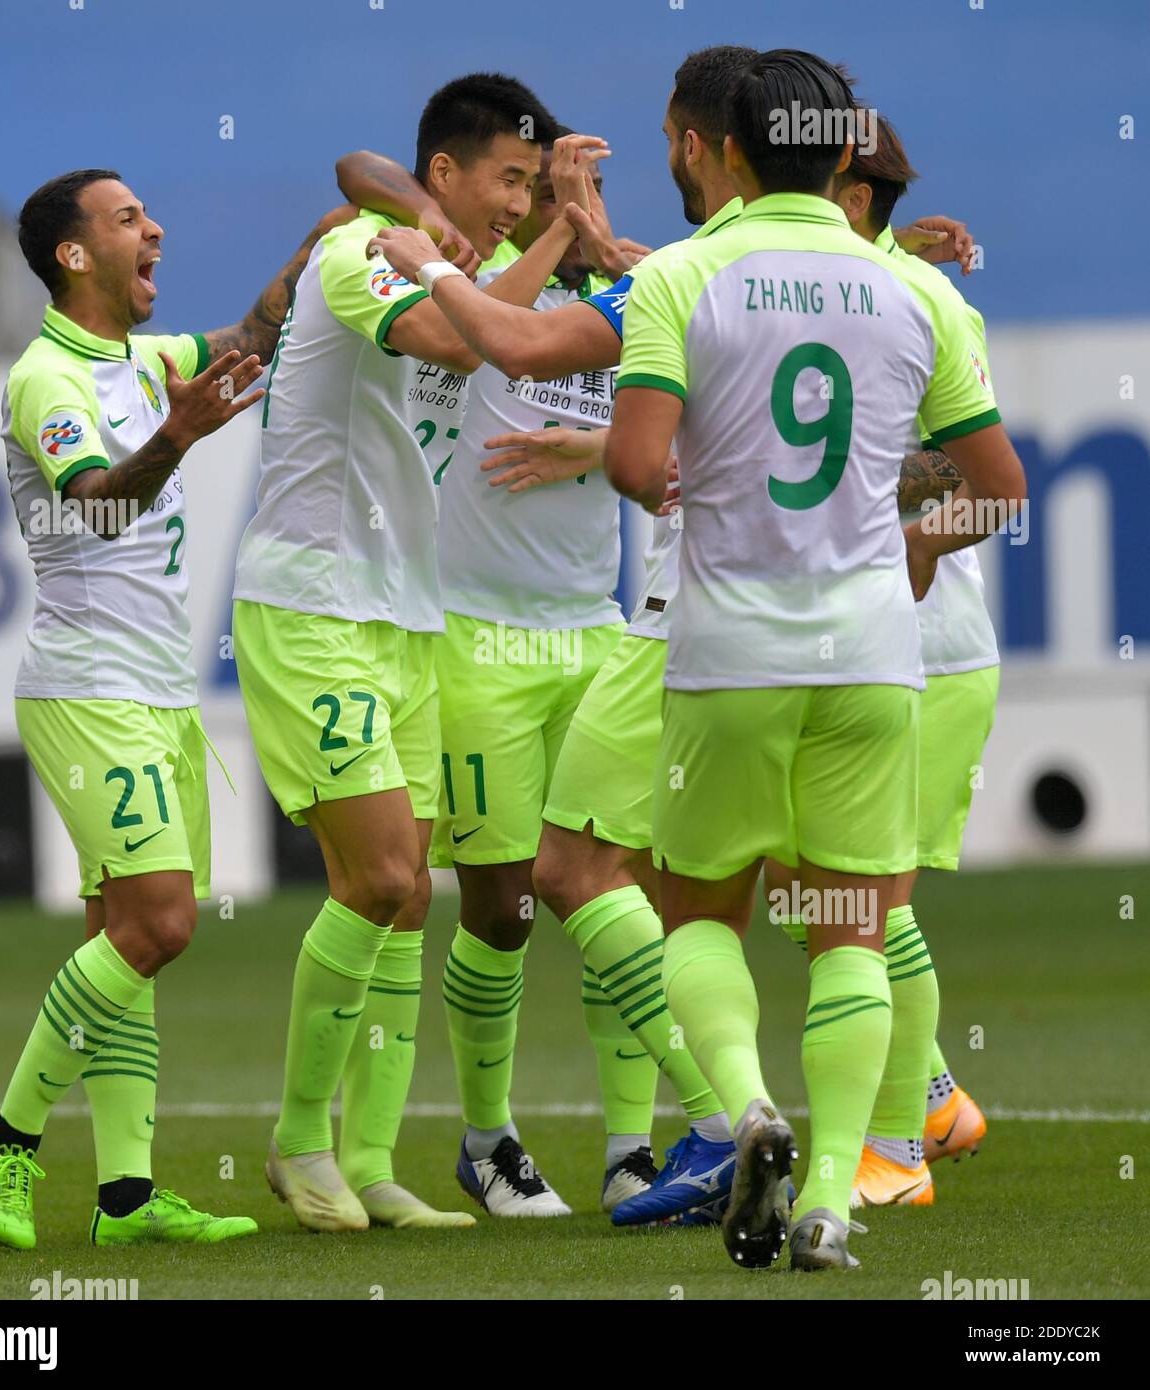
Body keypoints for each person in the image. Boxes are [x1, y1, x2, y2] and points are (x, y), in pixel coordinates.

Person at [602, 48, 1025, 1271]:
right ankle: (837, 1191)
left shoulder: (682, 274)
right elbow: (994, 486)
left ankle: (743, 1109)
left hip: (728, 647)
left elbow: (636, 467)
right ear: (843, 156)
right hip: (871, 659)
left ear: (723, 150)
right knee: (851, 923)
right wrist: (901, 550)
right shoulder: (915, 293)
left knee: (699, 910)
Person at [231, 73, 599, 1232]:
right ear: (443, 173)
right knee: (382, 875)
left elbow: (509, 330)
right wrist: (534, 240)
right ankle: (300, 1143)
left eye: (530, 186)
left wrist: (548, 234)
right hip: (311, 604)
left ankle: (376, 1159)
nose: (517, 201)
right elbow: (468, 335)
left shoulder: (452, 262)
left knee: (407, 905)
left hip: (404, 616)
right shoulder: (359, 255)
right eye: (507, 179)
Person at [0, 167, 325, 1249]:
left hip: (159, 693)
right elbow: (95, 502)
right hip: (89, 691)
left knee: (126, 937)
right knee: (163, 920)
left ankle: (124, 1196)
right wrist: (178, 438)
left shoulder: (147, 359)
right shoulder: (46, 378)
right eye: (127, 219)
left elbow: (244, 342)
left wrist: (317, 250)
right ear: (74, 255)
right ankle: (9, 1143)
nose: (154, 227)